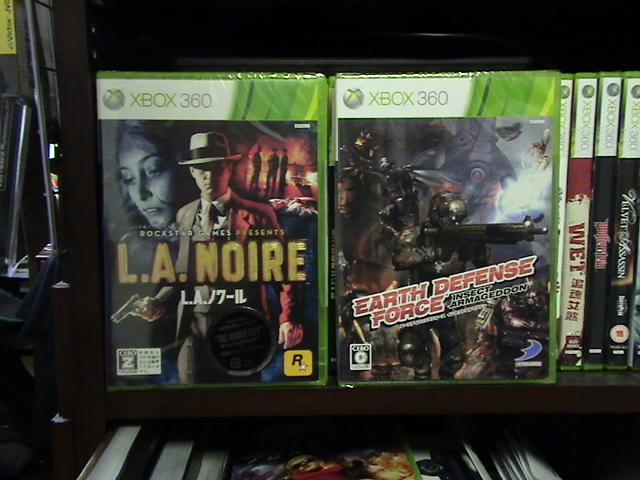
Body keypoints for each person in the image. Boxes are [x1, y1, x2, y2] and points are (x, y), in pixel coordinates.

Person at [174, 131, 303, 383]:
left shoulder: (259, 214)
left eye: (217, 167)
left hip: (243, 327)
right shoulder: (184, 215)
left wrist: (288, 318)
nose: (209, 176)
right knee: (189, 394)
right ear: (192, 172)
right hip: (193, 328)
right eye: (202, 169)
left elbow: (286, 270)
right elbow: (178, 272)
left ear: (229, 168)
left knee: (243, 394)